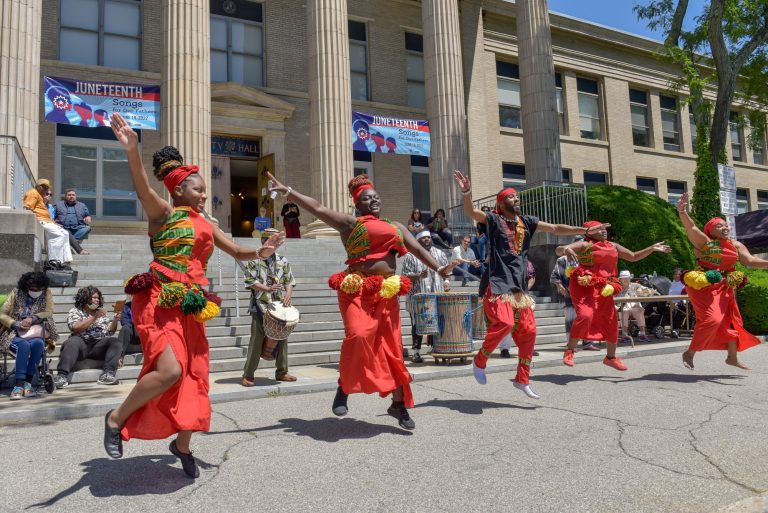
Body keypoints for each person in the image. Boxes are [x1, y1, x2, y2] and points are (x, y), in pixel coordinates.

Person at [102, 113, 285, 478]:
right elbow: (142, 187)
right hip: (160, 300)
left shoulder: (205, 223)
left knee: (195, 375)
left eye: (204, 190)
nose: (205, 195)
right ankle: (115, 417)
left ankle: (181, 444)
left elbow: (235, 251)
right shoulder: (164, 214)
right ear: (179, 191)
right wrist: (133, 152)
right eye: (199, 190)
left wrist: (263, 251)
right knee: (170, 370)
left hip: (191, 304)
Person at [266, 171, 453, 430]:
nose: (374, 200)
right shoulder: (350, 224)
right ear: (357, 203)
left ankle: (398, 405)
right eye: (368, 198)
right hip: (357, 289)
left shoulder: (396, 227)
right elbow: (318, 208)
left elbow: (418, 249)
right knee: (358, 335)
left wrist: (439, 267)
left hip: (386, 292)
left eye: (376, 197)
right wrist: (288, 192)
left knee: (392, 351)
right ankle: (344, 385)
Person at [454, 170, 599, 399]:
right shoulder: (494, 220)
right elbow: (471, 211)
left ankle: (522, 379)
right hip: (498, 283)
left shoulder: (527, 222)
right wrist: (467, 192)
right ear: (501, 204)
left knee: (529, 331)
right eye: (511, 197)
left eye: (517, 197)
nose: (516, 199)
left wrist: (584, 231)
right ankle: (480, 360)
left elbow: (555, 228)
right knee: (504, 322)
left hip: (518, 287)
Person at [558, 223, 670, 371]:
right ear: (590, 232)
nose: (604, 231)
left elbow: (633, 256)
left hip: (604, 287)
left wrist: (651, 248)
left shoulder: (613, 245)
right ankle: (570, 351)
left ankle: (610, 358)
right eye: (599, 229)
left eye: (605, 229)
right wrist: (566, 249)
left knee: (611, 322)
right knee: (586, 315)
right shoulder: (585, 244)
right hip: (585, 286)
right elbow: (558, 250)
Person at [676, 192, 768, 370]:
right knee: (712, 320)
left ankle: (732, 357)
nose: (725, 228)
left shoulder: (736, 245)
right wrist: (682, 211)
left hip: (726, 286)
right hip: (705, 286)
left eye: (726, 225)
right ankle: (690, 352)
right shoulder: (706, 243)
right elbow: (691, 228)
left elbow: (750, 261)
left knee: (731, 321)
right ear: (711, 231)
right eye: (719, 226)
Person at [242, 227, 298, 386]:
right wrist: (266, 288)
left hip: (279, 306)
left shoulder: (283, 260)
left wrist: (288, 294)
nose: (274, 244)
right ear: (263, 241)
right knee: (256, 340)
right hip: (260, 305)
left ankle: (282, 372)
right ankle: (248, 375)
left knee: (283, 338)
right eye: (270, 240)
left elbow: (289, 280)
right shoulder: (254, 260)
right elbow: (249, 281)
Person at [0, 272, 58, 400]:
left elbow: (49, 311)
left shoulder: (47, 293)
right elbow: (2, 314)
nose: (35, 291)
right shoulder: (16, 293)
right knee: (24, 345)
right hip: (13, 333)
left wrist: (33, 318)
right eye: (32, 288)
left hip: (35, 330)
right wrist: (15, 324)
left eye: (38, 289)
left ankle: (28, 383)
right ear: (26, 286)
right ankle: (18, 385)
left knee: (38, 344)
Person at [54, 286, 123, 388]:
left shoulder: (101, 312)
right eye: (94, 297)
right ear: (85, 298)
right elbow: (76, 328)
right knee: (71, 342)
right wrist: (94, 317)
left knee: (115, 342)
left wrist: (115, 320)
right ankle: (62, 376)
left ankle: (107, 374)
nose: (97, 300)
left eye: (98, 298)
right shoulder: (75, 311)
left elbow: (110, 332)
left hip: (98, 345)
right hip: (81, 343)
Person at [402, 230, 451, 363]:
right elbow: (405, 276)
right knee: (417, 324)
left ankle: (436, 348)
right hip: (417, 296)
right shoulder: (410, 256)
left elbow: (447, 272)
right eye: (424, 238)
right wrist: (418, 276)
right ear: (417, 241)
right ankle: (416, 352)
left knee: (437, 321)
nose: (427, 240)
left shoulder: (440, 253)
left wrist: (446, 282)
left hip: (436, 294)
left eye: (429, 237)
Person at [550, 237, 599, 351]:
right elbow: (555, 277)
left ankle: (587, 343)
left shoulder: (587, 259)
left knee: (587, 318)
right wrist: (561, 288)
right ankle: (572, 344)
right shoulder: (563, 259)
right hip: (569, 294)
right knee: (571, 320)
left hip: (585, 294)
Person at [23, 179, 73, 267]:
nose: (45, 189)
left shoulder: (39, 196)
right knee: (58, 235)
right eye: (44, 187)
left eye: (47, 187)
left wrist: (53, 223)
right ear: (38, 186)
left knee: (65, 233)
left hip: (47, 221)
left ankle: (66, 259)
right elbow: (27, 207)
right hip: (40, 220)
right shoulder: (33, 193)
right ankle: (54, 259)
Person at [499, 260, 538, 358]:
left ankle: (528, 347)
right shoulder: (505, 261)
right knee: (508, 323)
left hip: (522, 296)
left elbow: (531, 278)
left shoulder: (527, 263)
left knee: (526, 324)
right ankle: (504, 349)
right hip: (508, 296)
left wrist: (524, 290)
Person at [616, 270, 658, 342]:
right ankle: (625, 335)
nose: (625, 280)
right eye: (623, 278)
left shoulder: (635, 285)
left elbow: (647, 290)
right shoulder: (617, 287)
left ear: (629, 278)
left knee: (639, 310)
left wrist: (647, 292)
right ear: (620, 279)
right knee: (624, 311)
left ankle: (642, 334)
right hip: (622, 306)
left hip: (634, 305)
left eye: (627, 278)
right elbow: (612, 298)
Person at [47, 189, 89, 255]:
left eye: (73, 195)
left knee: (87, 228)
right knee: (67, 232)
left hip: (77, 228)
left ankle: (70, 240)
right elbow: (51, 215)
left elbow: (87, 215)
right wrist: (54, 223)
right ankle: (79, 249)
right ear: (65, 196)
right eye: (69, 195)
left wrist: (88, 217)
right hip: (63, 227)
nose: (71, 196)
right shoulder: (58, 205)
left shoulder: (82, 205)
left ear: (76, 196)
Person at [117, 297, 141, 365]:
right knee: (125, 328)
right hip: (132, 332)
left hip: (143, 332)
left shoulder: (146, 305)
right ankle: (119, 356)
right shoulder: (126, 306)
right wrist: (134, 323)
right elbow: (123, 321)